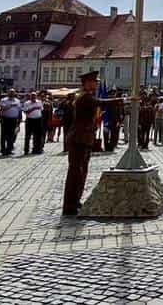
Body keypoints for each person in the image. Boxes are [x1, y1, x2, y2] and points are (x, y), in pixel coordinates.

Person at [62, 70, 99, 216]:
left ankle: (75, 201)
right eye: (95, 82)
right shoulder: (84, 97)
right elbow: (100, 103)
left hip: (84, 138)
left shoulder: (85, 96)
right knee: (76, 173)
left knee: (81, 172)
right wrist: (126, 99)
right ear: (88, 83)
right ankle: (70, 205)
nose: (96, 84)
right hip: (79, 138)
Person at [0, 89, 21, 155]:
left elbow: (19, 110)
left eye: (13, 92)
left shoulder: (17, 101)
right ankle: (3, 149)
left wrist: (19, 119)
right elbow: (2, 108)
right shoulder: (4, 100)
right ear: (8, 93)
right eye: (10, 92)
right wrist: (11, 106)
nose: (11, 94)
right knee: (3, 135)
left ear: (14, 94)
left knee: (11, 135)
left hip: (13, 119)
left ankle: (9, 149)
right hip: (5, 119)